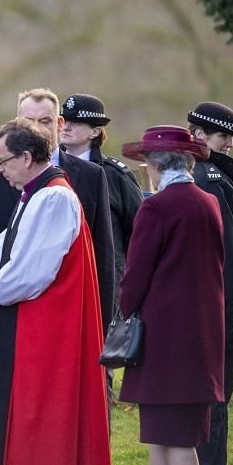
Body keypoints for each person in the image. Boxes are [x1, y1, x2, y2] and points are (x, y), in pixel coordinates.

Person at [0, 119, 114, 465]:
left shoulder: (53, 198)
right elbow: (4, 253)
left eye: (4, 161)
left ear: (28, 157)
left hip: (47, 330)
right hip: (36, 324)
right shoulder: (36, 195)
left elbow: (32, 270)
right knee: (29, 419)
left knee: (37, 420)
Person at [118, 125, 224, 465]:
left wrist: (123, 309)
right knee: (164, 435)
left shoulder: (157, 206)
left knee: (177, 439)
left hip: (164, 337)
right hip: (202, 333)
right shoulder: (208, 202)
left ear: (152, 165)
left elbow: (136, 273)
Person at [0, 88, 116, 332]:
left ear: (59, 124)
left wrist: (101, 325)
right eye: (28, 121)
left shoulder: (84, 178)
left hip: (58, 313)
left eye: (45, 121)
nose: (36, 128)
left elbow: (102, 256)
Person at [60, 94, 145, 413]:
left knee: (98, 373)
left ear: (96, 131)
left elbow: (139, 232)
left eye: (76, 122)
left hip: (102, 284)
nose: (66, 126)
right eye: (64, 120)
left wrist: (125, 282)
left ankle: (100, 440)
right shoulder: (47, 167)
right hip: (59, 284)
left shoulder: (114, 175)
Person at [188, 101, 233, 465]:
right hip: (223, 306)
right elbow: (226, 253)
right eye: (223, 136)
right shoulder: (211, 179)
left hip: (221, 304)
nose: (228, 144)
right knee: (216, 399)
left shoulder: (217, 175)